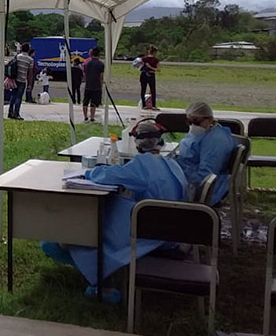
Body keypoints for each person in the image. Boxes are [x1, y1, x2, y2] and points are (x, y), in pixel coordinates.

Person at [41, 121, 189, 301]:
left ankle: (101, 282)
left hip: (147, 235)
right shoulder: (173, 165)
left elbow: (109, 175)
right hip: (172, 232)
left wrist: (88, 173)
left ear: (136, 143)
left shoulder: (140, 166)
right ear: (160, 142)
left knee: (79, 237)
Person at [177, 101, 236, 206]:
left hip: (204, 188)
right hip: (190, 178)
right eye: (189, 122)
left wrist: (177, 174)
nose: (193, 126)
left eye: (196, 122)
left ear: (209, 119)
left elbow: (206, 175)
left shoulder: (215, 141)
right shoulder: (204, 134)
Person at [6, 44, 32, 120]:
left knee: (13, 96)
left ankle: (10, 112)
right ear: (28, 50)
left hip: (14, 78)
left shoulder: (17, 57)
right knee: (19, 97)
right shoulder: (30, 60)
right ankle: (16, 114)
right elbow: (30, 73)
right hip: (22, 80)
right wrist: (29, 84)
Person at [82, 47, 105, 123]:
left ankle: (85, 117)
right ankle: (92, 117)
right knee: (93, 103)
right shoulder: (101, 64)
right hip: (96, 86)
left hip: (88, 85)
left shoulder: (87, 63)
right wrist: (101, 86)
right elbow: (101, 77)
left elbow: (84, 75)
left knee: (85, 102)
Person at [139, 45, 161, 110]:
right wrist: (151, 67)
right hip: (151, 74)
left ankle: (144, 105)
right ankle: (153, 105)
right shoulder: (156, 60)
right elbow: (159, 69)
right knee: (153, 90)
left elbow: (137, 65)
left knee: (143, 89)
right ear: (154, 52)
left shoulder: (143, 58)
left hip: (143, 74)